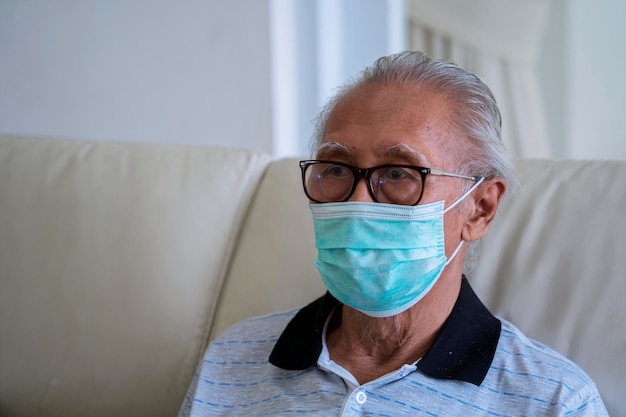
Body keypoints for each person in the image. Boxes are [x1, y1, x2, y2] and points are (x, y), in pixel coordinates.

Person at [178, 51, 608, 416]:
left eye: (400, 172)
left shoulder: (554, 401)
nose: (358, 203)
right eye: (335, 169)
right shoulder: (232, 358)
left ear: (480, 208)